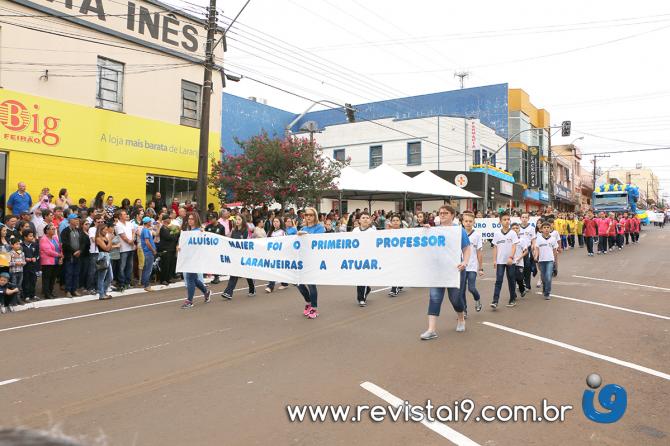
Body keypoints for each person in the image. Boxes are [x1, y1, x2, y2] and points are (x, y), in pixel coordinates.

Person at [420, 205, 470, 340]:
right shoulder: (434, 230)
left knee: (455, 299)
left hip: (455, 270)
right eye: (440, 213)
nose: (442, 215)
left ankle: (461, 318)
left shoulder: (459, 231)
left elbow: (466, 248)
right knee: (434, 297)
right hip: (437, 270)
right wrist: (425, 231)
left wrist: (465, 262)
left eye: (445, 213)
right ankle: (431, 330)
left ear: (452, 215)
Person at [294, 207, 325, 319]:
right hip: (303, 259)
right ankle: (308, 302)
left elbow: (318, 241)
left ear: (315, 216)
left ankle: (314, 308)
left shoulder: (320, 228)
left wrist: (305, 234)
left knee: (311, 284)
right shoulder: (303, 228)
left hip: (313, 260)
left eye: (311, 215)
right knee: (297, 282)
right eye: (306, 215)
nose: (308, 217)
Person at [180, 213, 211, 309]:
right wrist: (179, 247)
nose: (190, 220)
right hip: (189, 258)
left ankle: (189, 301)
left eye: (192, 219)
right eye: (189, 219)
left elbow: (204, 240)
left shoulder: (199, 231)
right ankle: (206, 292)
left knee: (189, 277)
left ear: (196, 220)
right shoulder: (189, 232)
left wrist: (202, 231)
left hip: (196, 258)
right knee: (194, 279)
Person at [222, 215, 256, 299]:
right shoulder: (234, 231)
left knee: (246, 273)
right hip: (236, 256)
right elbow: (230, 241)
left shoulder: (246, 231)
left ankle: (252, 289)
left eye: (239, 219)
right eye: (236, 219)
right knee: (235, 272)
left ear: (243, 221)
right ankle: (228, 292)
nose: (237, 221)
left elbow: (247, 244)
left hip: (244, 256)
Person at [491, 211, 519, 309]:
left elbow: (514, 246)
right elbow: (495, 247)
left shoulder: (513, 233)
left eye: (508, 219)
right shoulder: (497, 233)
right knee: (498, 280)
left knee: (511, 280)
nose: (507, 221)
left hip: (510, 262)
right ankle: (495, 301)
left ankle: (512, 299)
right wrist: (494, 260)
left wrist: (511, 257)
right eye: (504, 219)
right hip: (500, 261)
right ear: (500, 221)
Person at [460, 211, 483, 314]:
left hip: (472, 266)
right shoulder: (459, 234)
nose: (468, 223)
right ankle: (464, 310)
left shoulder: (477, 235)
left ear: (474, 222)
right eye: (466, 221)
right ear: (462, 222)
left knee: (471, 288)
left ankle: (477, 298)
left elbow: (479, 252)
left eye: (470, 221)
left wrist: (480, 268)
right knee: (461, 290)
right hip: (461, 266)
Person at [353, 211, 376, 307]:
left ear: (370, 220)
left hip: (368, 258)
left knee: (363, 277)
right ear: (359, 220)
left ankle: (361, 298)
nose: (365, 219)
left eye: (367, 218)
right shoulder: (355, 231)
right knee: (359, 278)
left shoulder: (372, 232)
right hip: (357, 257)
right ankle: (366, 291)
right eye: (363, 218)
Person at [61, 214, 86, 297]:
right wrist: (74, 252)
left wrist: (80, 250)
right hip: (70, 256)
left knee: (76, 273)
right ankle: (68, 290)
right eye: (75, 219)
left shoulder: (79, 230)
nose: (77, 220)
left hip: (78, 255)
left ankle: (74, 289)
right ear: (70, 220)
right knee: (69, 273)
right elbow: (65, 244)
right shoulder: (65, 231)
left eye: (77, 219)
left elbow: (83, 242)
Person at [533, 222, 559, 299]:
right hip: (541, 260)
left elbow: (555, 251)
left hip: (550, 260)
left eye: (548, 227)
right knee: (543, 277)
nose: (546, 229)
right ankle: (544, 287)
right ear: (541, 229)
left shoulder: (553, 239)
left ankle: (547, 293)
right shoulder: (539, 239)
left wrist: (555, 261)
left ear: (550, 229)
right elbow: (537, 249)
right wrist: (536, 256)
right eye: (544, 227)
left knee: (548, 276)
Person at [265, 216, 289, 293]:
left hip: (280, 254)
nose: (275, 223)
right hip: (272, 254)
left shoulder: (282, 232)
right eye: (274, 221)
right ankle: (285, 283)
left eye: (277, 221)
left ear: (280, 223)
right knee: (275, 269)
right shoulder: (270, 232)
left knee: (275, 269)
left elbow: (286, 243)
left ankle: (270, 286)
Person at [39, 223, 62, 299]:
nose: (54, 230)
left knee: (53, 278)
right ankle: (46, 293)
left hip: (55, 261)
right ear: (47, 230)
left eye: (54, 229)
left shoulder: (55, 238)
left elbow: (59, 247)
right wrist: (59, 255)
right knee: (47, 278)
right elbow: (48, 251)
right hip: (47, 262)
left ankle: (51, 292)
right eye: (52, 229)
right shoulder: (43, 239)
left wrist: (61, 255)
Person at [114, 210, 135, 291]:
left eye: (126, 214)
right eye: (124, 214)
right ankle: (121, 283)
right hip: (123, 249)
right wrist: (130, 242)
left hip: (130, 248)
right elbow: (123, 237)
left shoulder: (129, 223)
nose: (126, 215)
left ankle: (127, 282)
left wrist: (132, 240)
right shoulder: (117, 225)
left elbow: (133, 232)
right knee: (122, 267)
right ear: (120, 216)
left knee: (130, 266)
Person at [204, 212, 226, 284]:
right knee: (211, 262)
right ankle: (213, 275)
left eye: (212, 218)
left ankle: (217, 276)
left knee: (216, 262)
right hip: (210, 248)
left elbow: (223, 238)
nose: (210, 220)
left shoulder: (221, 227)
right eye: (209, 219)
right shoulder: (208, 227)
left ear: (216, 218)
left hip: (218, 248)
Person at [387, 214, 405, 297]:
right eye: (393, 220)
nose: (395, 222)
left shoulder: (405, 232)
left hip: (401, 255)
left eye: (397, 220)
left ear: (400, 222)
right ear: (391, 222)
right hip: (391, 255)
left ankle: (394, 289)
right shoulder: (387, 232)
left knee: (397, 271)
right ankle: (399, 285)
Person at [158, 215, 179, 286]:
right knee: (165, 265)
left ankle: (168, 278)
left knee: (170, 264)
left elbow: (175, 235)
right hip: (166, 249)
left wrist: (175, 233)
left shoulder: (168, 228)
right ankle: (163, 279)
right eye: (169, 218)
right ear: (165, 220)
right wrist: (175, 234)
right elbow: (169, 237)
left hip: (171, 248)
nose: (170, 220)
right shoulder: (163, 228)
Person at [518, 212, 536, 292]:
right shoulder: (517, 227)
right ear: (520, 218)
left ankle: (528, 285)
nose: (524, 219)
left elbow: (533, 239)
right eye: (523, 217)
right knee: (519, 267)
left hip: (528, 249)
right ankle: (520, 283)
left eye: (526, 217)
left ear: (528, 219)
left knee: (527, 267)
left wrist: (533, 247)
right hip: (519, 249)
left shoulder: (531, 228)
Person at [95, 224, 113, 300]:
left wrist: (109, 241)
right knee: (101, 277)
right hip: (103, 256)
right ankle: (101, 294)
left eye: (106, 229)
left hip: (107, 256)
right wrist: (110, 240)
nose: (106, 231)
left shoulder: (105, 237)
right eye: (105, 229)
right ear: (100, 230)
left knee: (110, 277)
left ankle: (104, 292)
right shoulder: (98, 238)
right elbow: (106, 248)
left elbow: (110, 248)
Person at [511, 222, 529, 298]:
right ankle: (513, 294)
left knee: (519, 278)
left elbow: (526, 251)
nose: (515, 229)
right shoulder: (508, 240)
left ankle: (522, 289)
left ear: (519, 230)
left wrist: (520, 257)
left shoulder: (522, 240)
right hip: (510, 262)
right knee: (512, 279)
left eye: (517, 228)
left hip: (519, 262)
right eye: (513, 228)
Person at [21, 230, 40, 302]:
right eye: (30, 236)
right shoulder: (21, 246)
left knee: (33, 280)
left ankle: (33, 294)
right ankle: (26, 296)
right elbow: (19, 255)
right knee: (26, 281)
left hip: (33, 266)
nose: (32, 237)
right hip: (25, 267)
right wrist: (25, 259)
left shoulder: (35, 245)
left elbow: (38, 254)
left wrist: (35, 258)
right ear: (25, 237)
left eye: (32, 236)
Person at [140, 217, 157, 292]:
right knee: (148, 269)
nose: (151, 222)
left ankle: (144, 283)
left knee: (146, 268)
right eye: (150, 221)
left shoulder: (145, 230)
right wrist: (153, 250)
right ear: (147, 222)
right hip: (148, 252)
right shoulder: (146, 230)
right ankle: (146, 285)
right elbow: (147, 242)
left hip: (147, 252)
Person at [8, 239, 25, 304]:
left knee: (19, 286)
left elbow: (24, 262)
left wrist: (23, 263)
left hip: (20, 271)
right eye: (16, 244)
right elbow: (8, 263)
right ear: (12, 245)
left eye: (19, 244)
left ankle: (18, 300)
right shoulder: (10, 253)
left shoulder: (21, 253)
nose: (18, 245)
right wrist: (15, 263)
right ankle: (14, 301)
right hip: (13, 272)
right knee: (14, 286)